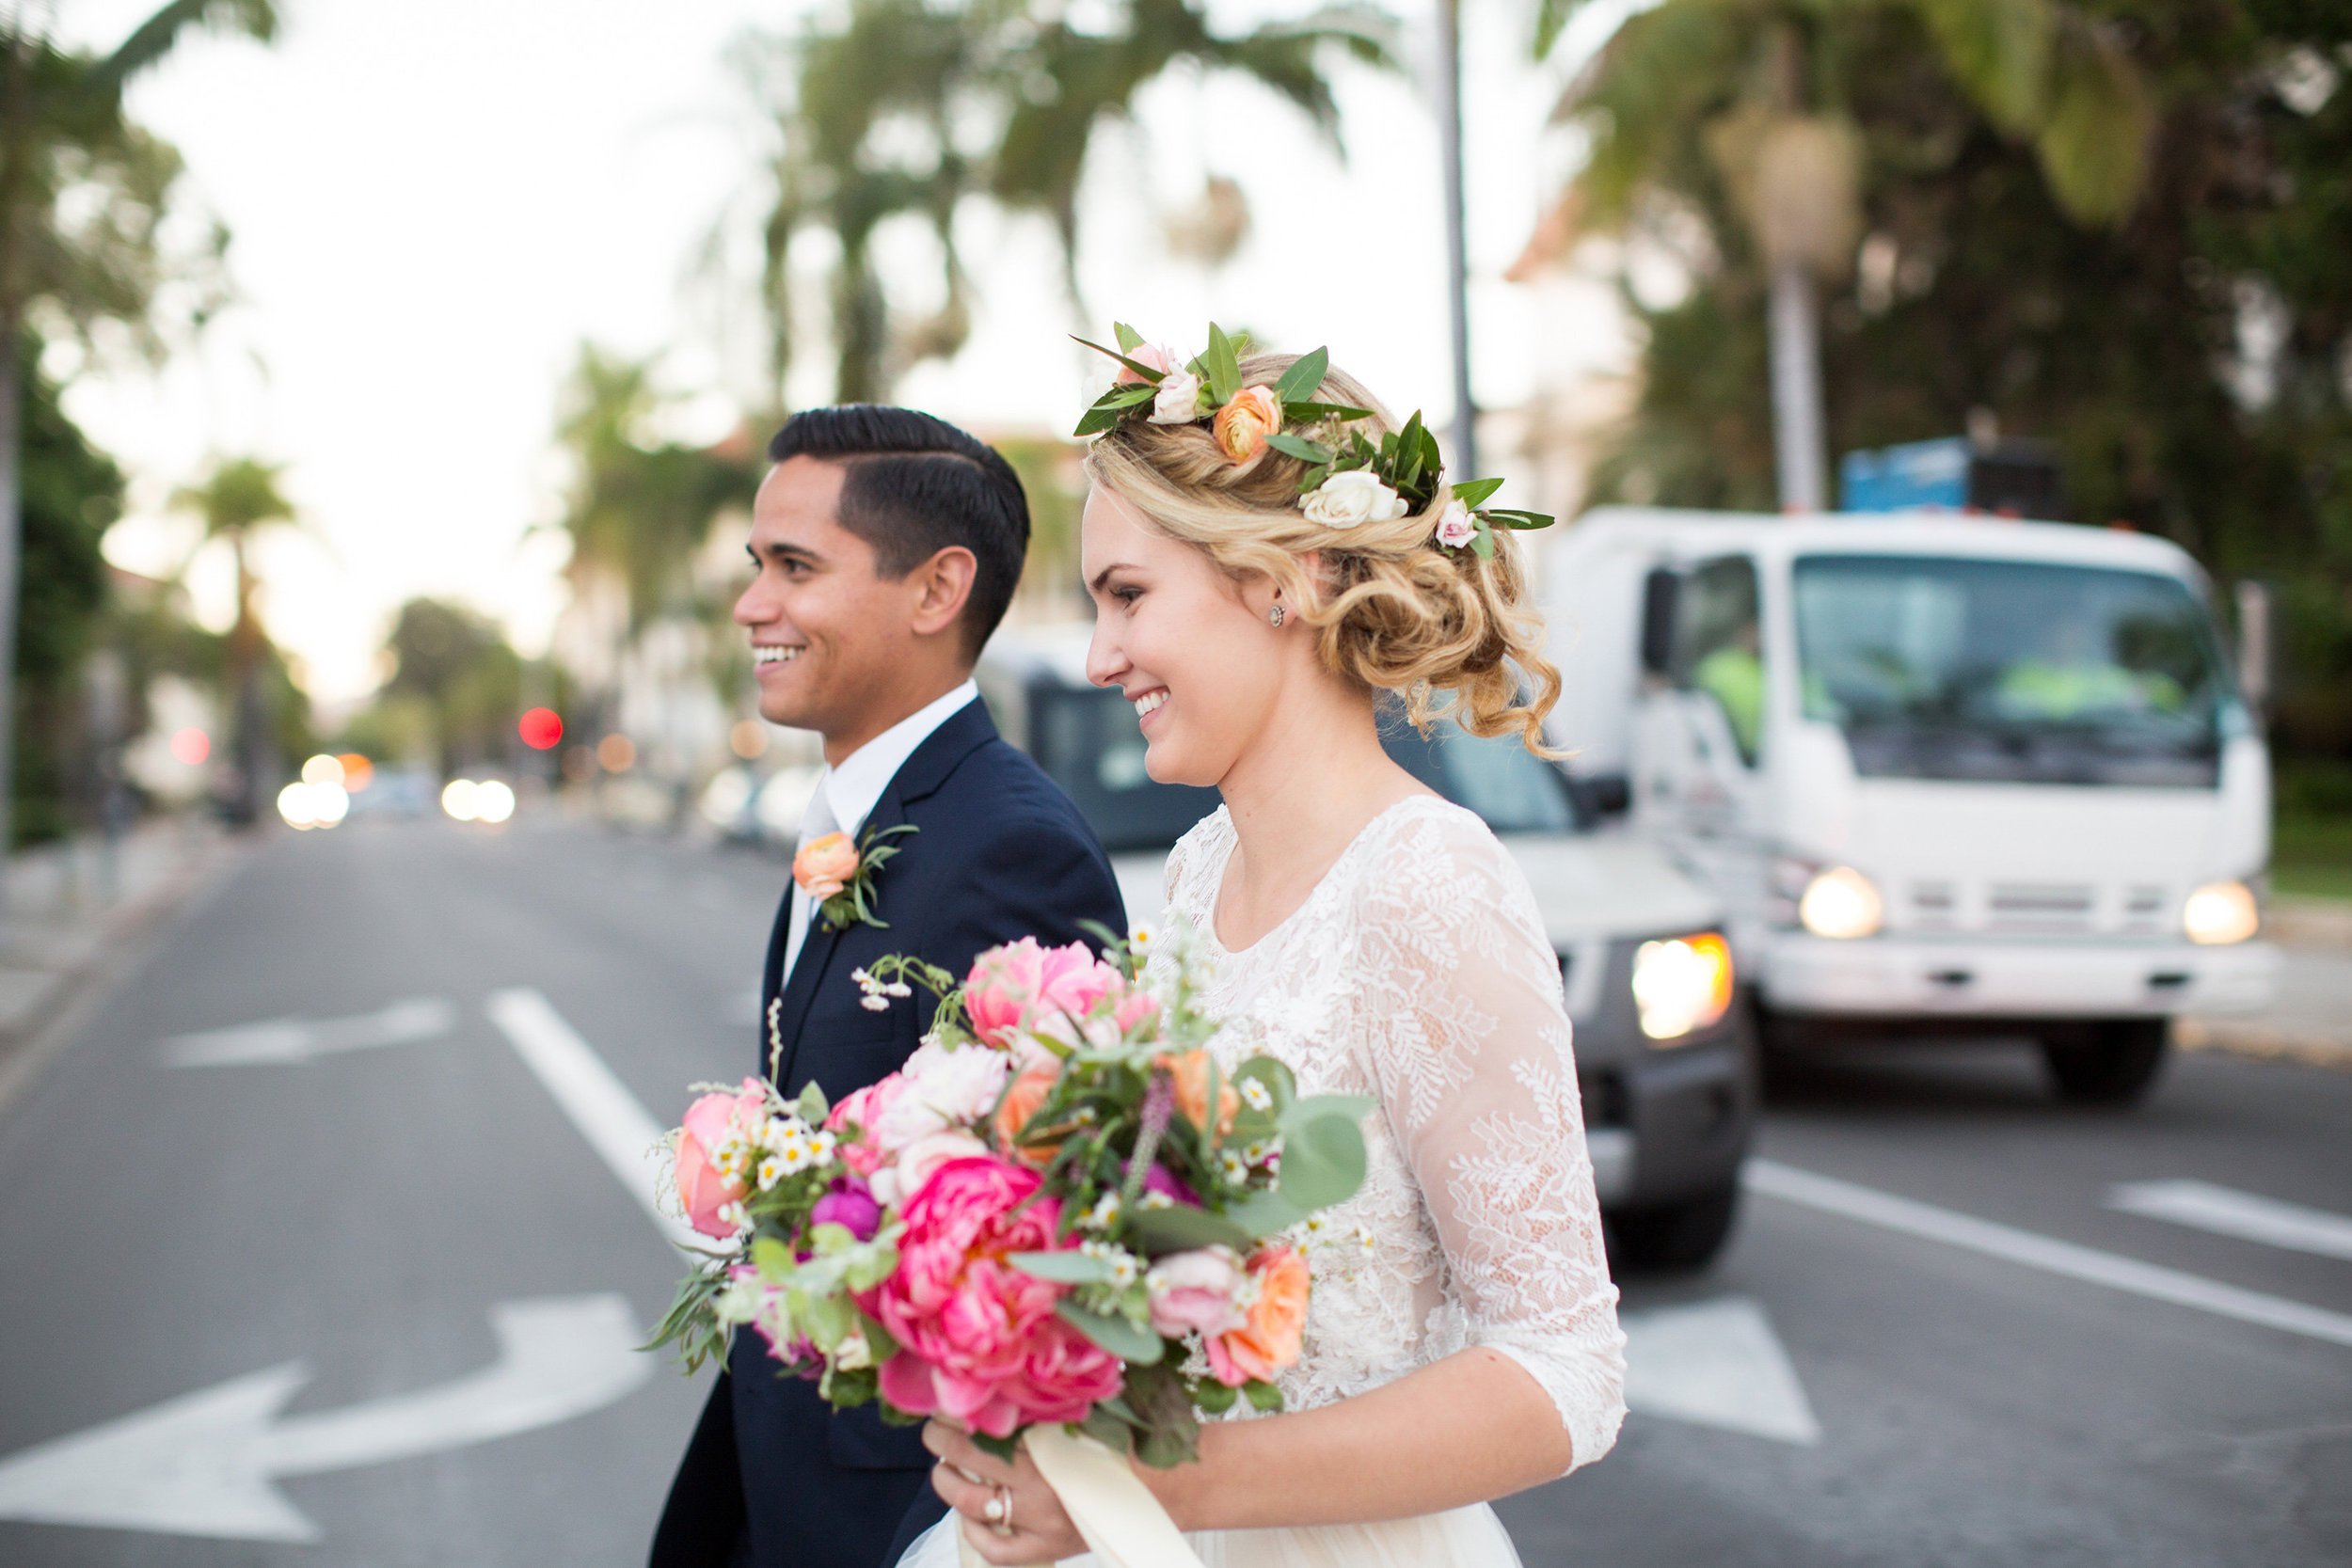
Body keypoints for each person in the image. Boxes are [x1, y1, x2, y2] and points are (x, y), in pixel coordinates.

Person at [899, 348, 1626, 1568]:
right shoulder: (1193, 867)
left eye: (1127, 595)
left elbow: (1567, 1365)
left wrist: (1163, 1484)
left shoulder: (1429, 884)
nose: (1098, 655)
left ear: (1281, 583)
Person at [649, 406, 1127, 1568]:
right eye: (756, 565)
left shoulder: (1011, 848)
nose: (752, 605)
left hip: (901, 1511)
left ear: (935, 589)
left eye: (794, 567)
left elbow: (1049, 1255)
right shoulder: (859, 816)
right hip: (787, 1477)